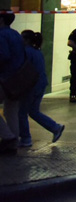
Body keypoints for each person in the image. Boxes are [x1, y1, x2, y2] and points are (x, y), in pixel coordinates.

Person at [17, 31, 65, 147]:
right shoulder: (37, 51)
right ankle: (55, 127)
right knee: (33, 111)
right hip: (40, 84)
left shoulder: (26, 52)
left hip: (31, 85)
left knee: (22, 113)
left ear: (27, 40)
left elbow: (21, 67)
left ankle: (26, 138)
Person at [0, 11, 25, 154]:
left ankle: (8, 137)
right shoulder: (15, 34)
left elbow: (3, 55)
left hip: (5, 78)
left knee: (10, 110)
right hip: (18, 78)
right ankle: (13, 144)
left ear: (1, 20)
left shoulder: (2, 35)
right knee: (11, 111)